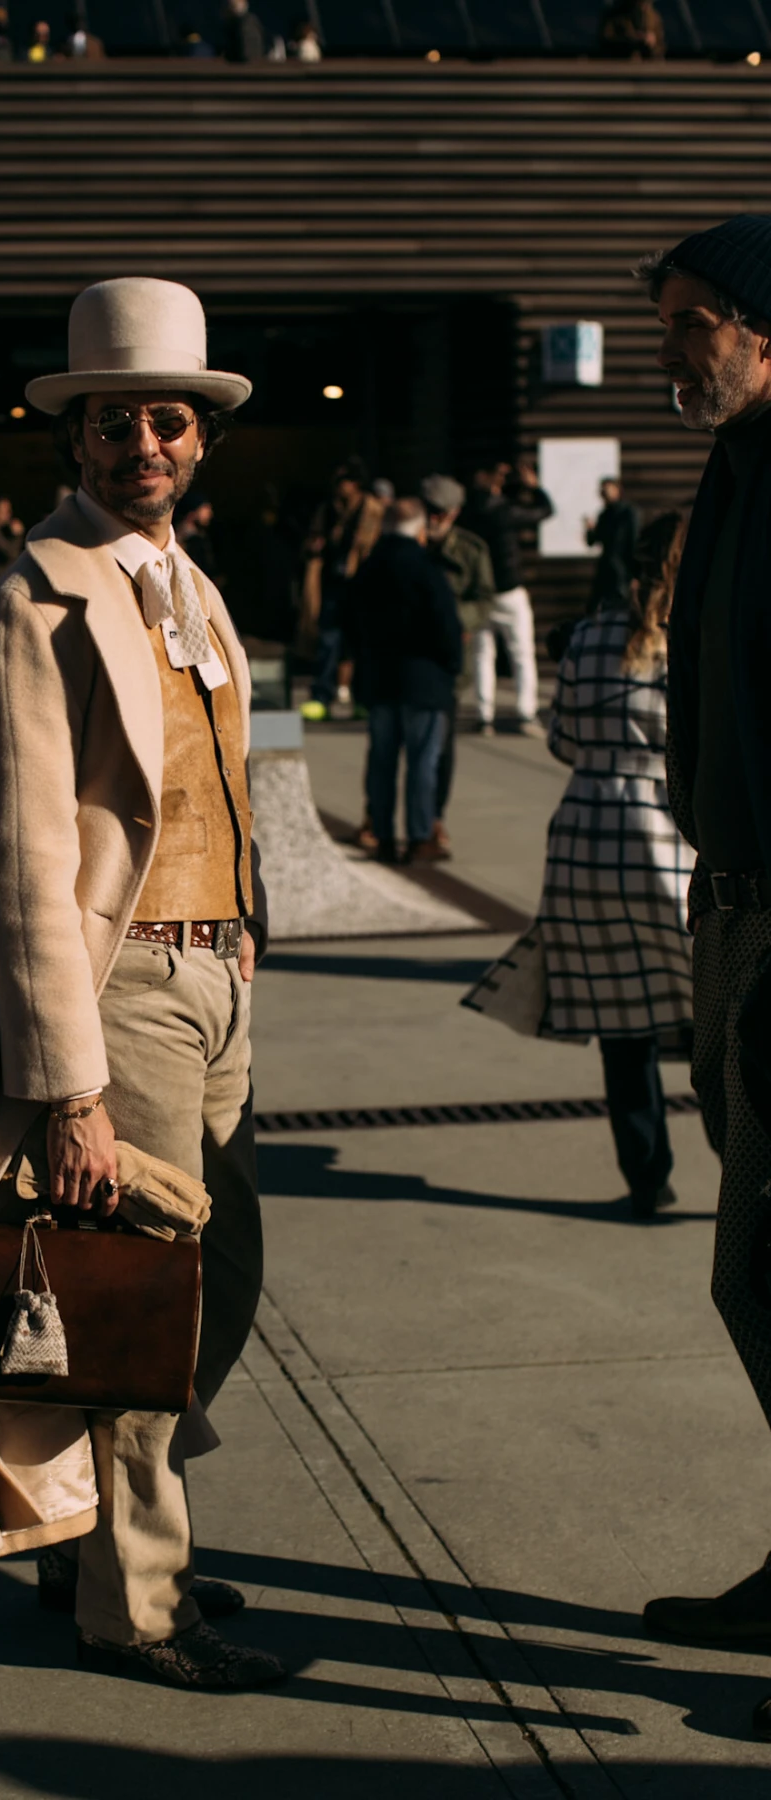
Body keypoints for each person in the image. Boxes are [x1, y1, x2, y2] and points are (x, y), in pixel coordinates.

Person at [0, 276, 287, 1692]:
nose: (143, 443)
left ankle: (104, 1545)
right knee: (136, 1295)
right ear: (72, 440)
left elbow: (225, 784)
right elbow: (19, 867)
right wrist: (62, 1084)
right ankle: (135, 1604)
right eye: (116, 421)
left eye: (168, 419)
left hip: (216, 981)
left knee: (206, 1286)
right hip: (117, 987)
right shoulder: (33, 602)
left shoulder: (193, 585)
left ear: (203, 440)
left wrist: (246, 928)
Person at [632, 217, 771, 1733]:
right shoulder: (733, 475)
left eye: (689, 326)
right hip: (729, 912)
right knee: (757, 1269)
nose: (670, 355)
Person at [464, 509, 693, 1216]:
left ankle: (646, 1178)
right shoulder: (692, 644)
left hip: (583, 845)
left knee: (623, 1027)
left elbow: (561, 740)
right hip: (669, 840)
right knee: (713, 1023)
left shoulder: (589, 635)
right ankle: (749, 1177)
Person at [349, 498, 462, 864]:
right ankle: (418, 835)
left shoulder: (369, 568)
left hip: (381, 678)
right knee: (423, 762)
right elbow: (446, 624)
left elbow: (350, 623)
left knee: (382, 760)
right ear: (419, 529)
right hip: (424, 679)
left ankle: (381, 832)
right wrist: (451, 667)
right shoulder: (426, 568)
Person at [415, 472, 495, 861]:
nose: (434, 519)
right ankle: (380, 819)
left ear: (455, 513)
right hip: (407, 657)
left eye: (441, 513)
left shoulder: (470, 549)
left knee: (441, 747)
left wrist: (457, 620)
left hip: (447, 661)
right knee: (395, 742)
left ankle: (433, 818)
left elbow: (484, 598)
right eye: (429, 511)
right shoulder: (406, 541)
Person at [463, 459, 553, 738]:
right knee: (522, 654)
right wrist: (534, 488)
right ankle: (526, 712)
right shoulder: (503, 510)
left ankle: (484, 715)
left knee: (482, 654)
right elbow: (543, 511)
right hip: (510, 589)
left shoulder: (468, 510)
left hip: (480, 592)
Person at [300, 458, 383, 720]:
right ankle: (321, 697)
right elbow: (313, 540)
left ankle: (364, 699)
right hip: (333, 585)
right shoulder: (328, 510)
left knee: (361, 644)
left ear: (355, 484)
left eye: (343, 482)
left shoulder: (373, 510)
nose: (339, 487)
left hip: (363, 586)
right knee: (328, 641)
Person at [584, 477, 640, 613]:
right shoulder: (604, 515)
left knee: (622, 606)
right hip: (606, 567)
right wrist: (590, 530)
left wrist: (636, 574)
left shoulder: (628, 513)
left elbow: (633, 542)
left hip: (622, 569)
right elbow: (593, 541)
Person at [174, 489, 221, 586]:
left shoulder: (200, 537)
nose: (210, 514)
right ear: (193, 512)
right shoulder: (186, 540)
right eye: (205, 508)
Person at [599, 0, 665, 58]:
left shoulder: (654, 17)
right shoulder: (614, 16)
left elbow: (661, 48)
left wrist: (652, 43)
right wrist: (631, 40)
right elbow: (605, 43)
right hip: (620, 66)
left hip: (647, 67)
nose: (642, 6)